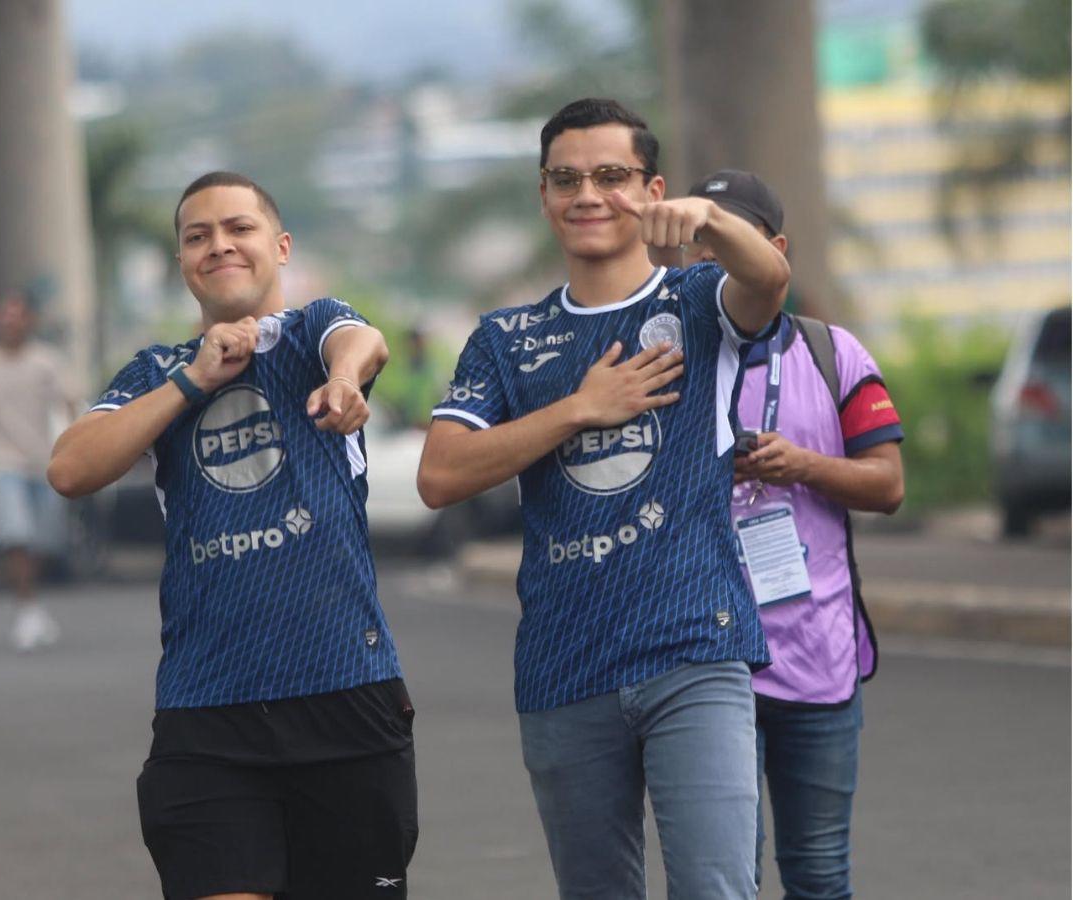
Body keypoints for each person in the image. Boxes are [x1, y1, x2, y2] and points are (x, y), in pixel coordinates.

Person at [418, 98, 790, 899]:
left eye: (612, 177)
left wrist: (713, 224)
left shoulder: (697, 301)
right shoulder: (505, 338)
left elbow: (770, 279)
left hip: (694, 648)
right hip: (564, 662)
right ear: (544, 196)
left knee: (718, 889)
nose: (588, 194)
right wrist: (579, 408)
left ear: (650, 189)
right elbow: (440, 476)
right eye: (566, 178)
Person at [48, 171, 417, 900]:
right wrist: (194, 381)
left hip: (346, 695)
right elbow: (69, 467)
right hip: (207, 714)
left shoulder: (313, 332)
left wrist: (343, 380)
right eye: (198, 235)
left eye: (238, 228)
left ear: (278, 247)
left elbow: (362, 342)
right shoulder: (158, 371)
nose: (220, 245)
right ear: (184, 263)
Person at [683, 170, 905, 899]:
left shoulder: (831, 353)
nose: (715, 260)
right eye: (702, 243)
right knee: (726, 878)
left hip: (820, 662)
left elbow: (888, 484)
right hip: (707, 668)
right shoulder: (666, 363)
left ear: (774, 250)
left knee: (818, 874)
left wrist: (803, 465)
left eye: (733, 240)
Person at [0, 291, 77, 651]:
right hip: (6, 466)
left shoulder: (45, 363)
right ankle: (26, 608)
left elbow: (70, 405)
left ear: (28, 322)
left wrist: (79, 451)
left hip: (43, 464)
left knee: (43, 541)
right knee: (16, 537)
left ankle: (33, 605)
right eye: (5, 316)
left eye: (17, 316)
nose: (10, 323)